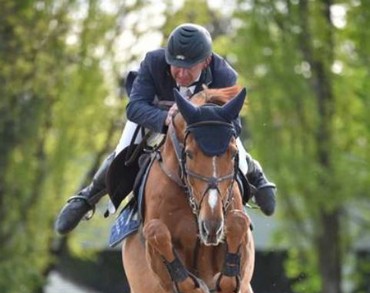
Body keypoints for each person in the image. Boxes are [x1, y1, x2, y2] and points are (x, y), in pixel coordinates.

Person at [55, 23, 276, 236]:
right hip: (155, 115)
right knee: (124, 149)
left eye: (188, 67)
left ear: (206, 61)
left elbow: (233, 124)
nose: (180, 73)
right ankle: (87, 197)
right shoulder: (153, 61)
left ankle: (255, 175)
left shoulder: (223, 75)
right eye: (175, 65)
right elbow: (135, 107)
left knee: (232, 147)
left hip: (204, 129)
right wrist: (164, 119)